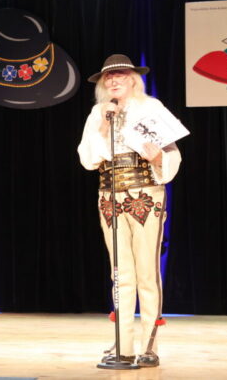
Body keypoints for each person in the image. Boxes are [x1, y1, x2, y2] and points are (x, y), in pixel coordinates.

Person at [77, 54, 182, 367]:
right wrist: (102, 124)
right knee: (120, 272)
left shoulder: (151, 107)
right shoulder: (98, 112)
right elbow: (87, 159)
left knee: (147, 271)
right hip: (109, 196)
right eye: (108, 77)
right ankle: (123, 344)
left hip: (145, 194)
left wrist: (157, 159)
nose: (113, 80)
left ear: (133, 79)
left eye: (120, 74)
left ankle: (150, 344)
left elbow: (173, 153)